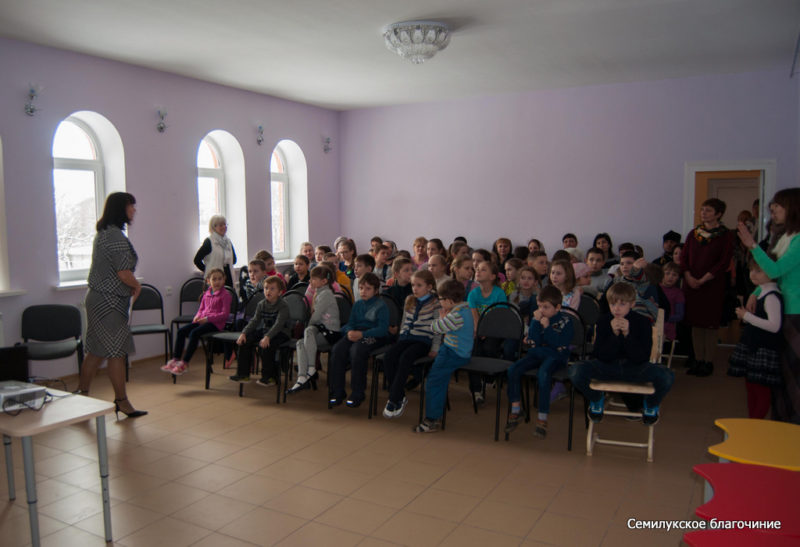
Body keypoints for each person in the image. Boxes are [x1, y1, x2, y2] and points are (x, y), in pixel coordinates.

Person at [75, 192, 146, 418]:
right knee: (115, 352)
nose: (134, 210)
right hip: (109, 301)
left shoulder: (104, 233)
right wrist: (137, 286)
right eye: (131, 206)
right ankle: (122, 401)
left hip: (99, 298)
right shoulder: (114, 236)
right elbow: (123, 273)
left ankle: (82, 396)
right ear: (120, 209)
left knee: (95, 352)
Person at [569, 283, 675, 425]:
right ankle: (596, 398)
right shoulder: (604, 321)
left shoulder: (642, 322)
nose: (616, 309)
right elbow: (600, 355)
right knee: (575, 370)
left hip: (635, 369)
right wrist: (613, 335)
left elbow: (642, 357)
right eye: (613, 304)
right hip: (607, 367)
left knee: (667, 376)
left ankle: (650, 405)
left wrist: (627, 335)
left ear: (631, 304)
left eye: (622, 304)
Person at [737, 188, 800, 423]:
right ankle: (781, 421)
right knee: (779, 373)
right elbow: (769, 275)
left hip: (796, 312)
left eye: (777, 209)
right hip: (784, 308)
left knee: (793, 374)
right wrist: (755, 292)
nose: (772, 213)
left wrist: (753, 245)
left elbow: (774, 270)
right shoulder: (785, 237)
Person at [505, 285, 574, 438]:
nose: (541, 310)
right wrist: (536, 323)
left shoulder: (566, 321)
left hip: (556, 356)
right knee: (513, 369)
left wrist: (548, 328)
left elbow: (558, 345)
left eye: (546, 307)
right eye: (539, 306)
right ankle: (516, 410)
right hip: (537, 354)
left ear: (557, 307)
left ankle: (542, 418)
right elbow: (533, 341)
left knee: (543, 374)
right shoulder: (538, 318)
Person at [682, 198, 735, 377]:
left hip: (712, 285)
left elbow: (723, 261)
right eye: (703, 209)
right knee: (696, 324)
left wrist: (704, 279)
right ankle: (697, 360)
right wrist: (688, 276)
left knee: (710, 324)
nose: (703, 213)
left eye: (709, 210)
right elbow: (684, 258)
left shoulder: (726, 235)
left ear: (719, 214)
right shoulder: (693, 234)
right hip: (691, 285)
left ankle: (708, 361)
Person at [413, 280, 474, 433]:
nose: (439, 302)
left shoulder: (457, 315)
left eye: (441, 299)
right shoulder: (463, 309)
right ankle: (435, 413)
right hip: (451, 349)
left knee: (434, 381)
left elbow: (436, 328)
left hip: (454, 353)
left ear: (450, 301)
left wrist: (439, 319)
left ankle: (432, 419)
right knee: (436, 379)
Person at [727, 259, 783, 419]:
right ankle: (752, 420)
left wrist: (748, 317)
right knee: (751, 387)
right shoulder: (762, 292)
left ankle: (756, 421)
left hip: (763, 348)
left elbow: (774, 326)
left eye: (759, 271)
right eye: (752, 270)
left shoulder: (772, 296)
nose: (753, 274)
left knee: (760, 390)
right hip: (754, 345)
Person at [382, 270, 441, 418]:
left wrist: (435, 348)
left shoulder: (436, 303)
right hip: (406, 338)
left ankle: (393, 398)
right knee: (389, 356)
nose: (415, 288)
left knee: (405, 358)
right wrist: (401, 338)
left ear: (429, 287)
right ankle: (399, 396)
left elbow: (438, 329)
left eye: (419, 285)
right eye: (413, 285)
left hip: (423, 341)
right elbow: (404, 322)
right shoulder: (410, 299)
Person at [328, 273, 389, 408]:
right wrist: (349, 331)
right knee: (338, 349)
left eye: (368, 288)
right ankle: (337, 391)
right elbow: (351, 322)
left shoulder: (381, 306)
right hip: (356, 333)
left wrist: (362, 334)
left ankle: (358, 393)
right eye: (361, 288)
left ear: (376, 290)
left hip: (374, 335)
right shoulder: (358, 304)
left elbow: (383, 329)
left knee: (357, 351)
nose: (363, 291)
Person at [162, 268, 232, 376]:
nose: (217, 282)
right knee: (181, 331)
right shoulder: (206, 294)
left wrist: (208, 319)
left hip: (215, 324)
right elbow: (201, 309)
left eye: (220, 279)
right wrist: (197, 316)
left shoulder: (225, 295)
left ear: (224, 280)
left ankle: (185, 363)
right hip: (203, 321)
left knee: (194, 333)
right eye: (214, 279)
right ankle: (176, 360)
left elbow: (224, 315)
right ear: (208, 281)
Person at [288, 266, 340, 393]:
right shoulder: (319, 292)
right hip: (320, 329)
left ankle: (311, 368)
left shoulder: (326, 294)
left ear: (324, 281)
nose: (310, 281)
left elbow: (316, 317)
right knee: (300, 342)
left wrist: (309, 327)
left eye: (314, 279)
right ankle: (302, 377)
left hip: (330, 332)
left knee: (308, 331)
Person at [230, 276, 290, 385]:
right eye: (266, 288)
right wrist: (244, 333)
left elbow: (279, 324)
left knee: (267, 345)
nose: (268, 291)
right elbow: (254, 321)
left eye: (272, 289)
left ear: (280, 292)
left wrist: (267, 337)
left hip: (281, 332)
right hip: (266, 331)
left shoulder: (283, 305)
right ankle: (243, 375)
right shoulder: (261, 304)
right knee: (245, 341)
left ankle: (269, 377)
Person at [467, 261, 508, 404]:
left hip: (495, 330)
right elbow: (474, 316)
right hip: (479, 330)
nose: (478, 271)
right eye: (477, 269)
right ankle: (476, 390)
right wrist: (479, 331)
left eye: (483, 270)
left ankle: (490, 377)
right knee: (474, 351)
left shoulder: (499, 293)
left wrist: (486, 331)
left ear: (492, 276)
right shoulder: (473, 294)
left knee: (489, 347)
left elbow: (500, 317)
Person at [194, 214, 236, 288]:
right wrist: (208, 270)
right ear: (214, 227)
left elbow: (234, 260)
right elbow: (197, 260)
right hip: (214, 279)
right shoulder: (209, 241)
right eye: (220, 225)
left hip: (228, 276)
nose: (224, 227)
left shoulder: (228, 241)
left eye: (225, 224)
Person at [660, 261, 685, 342]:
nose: (670, 277)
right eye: (667, 273)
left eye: (674, 275)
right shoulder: (654, 288)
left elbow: (679, 316)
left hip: (666, 326)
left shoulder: (678, 293)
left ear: (678, 278)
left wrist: (663, 318)